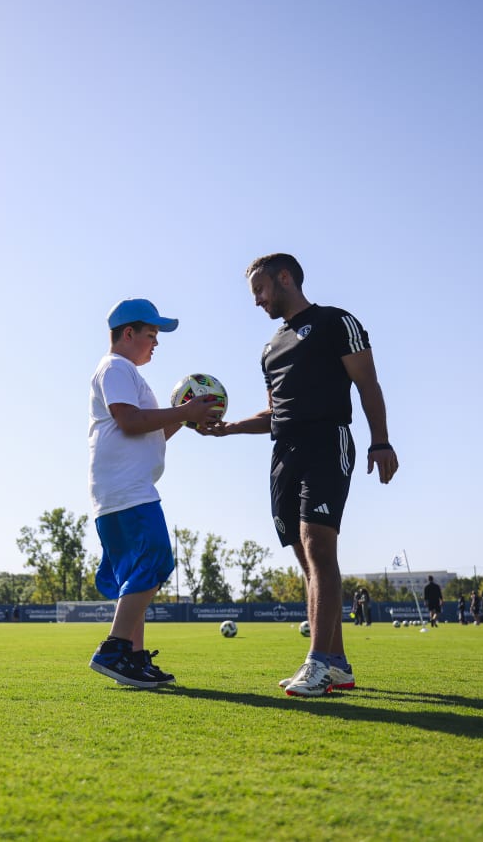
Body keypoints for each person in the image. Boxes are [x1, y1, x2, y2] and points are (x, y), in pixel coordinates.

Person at [199, 254, 398, 696]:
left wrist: (380, 440)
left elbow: (368, 383)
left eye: (260, 290)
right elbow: (275, 412)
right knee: (306, 559)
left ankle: (318, 662)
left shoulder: (336, 322)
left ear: (284, 278)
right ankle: (339, 665)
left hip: (327, 442)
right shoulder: (270, 348)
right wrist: (229, 428)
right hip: (283, 454)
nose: (257, 301)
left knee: (319, 548)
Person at [87, 298, 222, 689]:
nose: (156, 343)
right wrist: (185, 411)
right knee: (154, 560)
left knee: (137, 576)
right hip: (127, 490)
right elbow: (129, 422)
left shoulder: (125, 372)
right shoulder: (116, 367)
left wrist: (186, 417)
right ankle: (114, 649)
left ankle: (131, 658)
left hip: (119, 489)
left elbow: (150, 433)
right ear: (128, 333)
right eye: (151, 335)